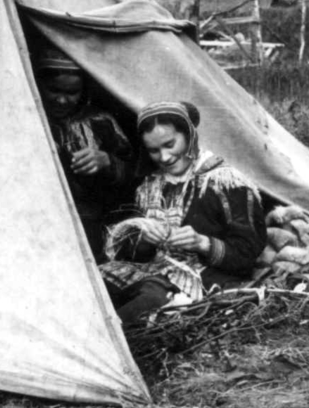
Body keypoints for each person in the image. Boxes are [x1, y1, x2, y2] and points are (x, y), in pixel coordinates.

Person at [101, 100, 269, 324]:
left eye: (170, 144)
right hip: (158, 272)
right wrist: (145, 240)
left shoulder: (226, 182)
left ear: (189, 135)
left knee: (152, 298)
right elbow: (139, 257)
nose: (164, 157)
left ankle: (106, 340)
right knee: (95, 278)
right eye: (153, 150)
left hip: (207, 277)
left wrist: (203, 243)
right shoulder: (150, 186)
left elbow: (248, 253)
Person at [34, 46, 133, 262]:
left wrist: (107, 161)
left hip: (88, 220)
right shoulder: (27, 116)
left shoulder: (101, 122)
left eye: (71, 93)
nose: (61, 100)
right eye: (54, 90)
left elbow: (134, 175)